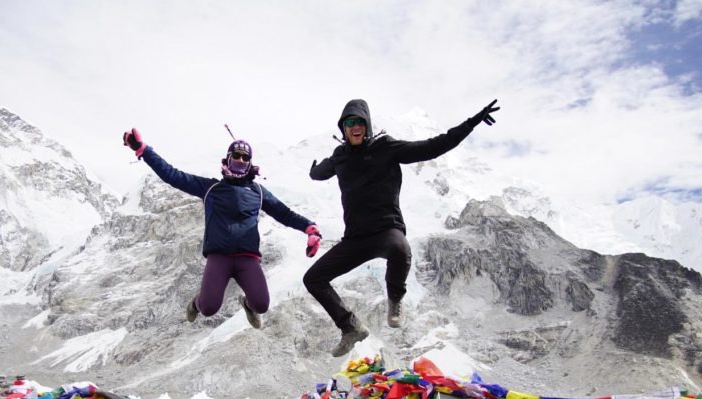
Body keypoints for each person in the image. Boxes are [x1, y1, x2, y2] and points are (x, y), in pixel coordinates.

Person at [305, 98, 500, 356]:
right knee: (313, 278)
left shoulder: (387, 147)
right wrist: (313, 170)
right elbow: (320, 173)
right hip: (355, 239)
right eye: (350, 123)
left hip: (386, 230)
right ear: (343, 128)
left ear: (367, 125)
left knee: (400, 249)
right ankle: (350, 327)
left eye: (360, 122)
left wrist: (471, 123)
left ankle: (395, 299)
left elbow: (433, 146)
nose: (355, 127)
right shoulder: (340, 156)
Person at [123, 129, 321, 329]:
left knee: (261, 304)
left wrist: (309, 228)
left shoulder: (259, 192)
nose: (241, 160)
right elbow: (172, 175)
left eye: (246, 157)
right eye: (236, 155)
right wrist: (143, 150)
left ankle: (247, 305)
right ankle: (196, 303)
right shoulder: (210, 188)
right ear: (228, 159)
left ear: (250, 162)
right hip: (220, 257)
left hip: (247, 258)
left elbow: (283, 213)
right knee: (209, 308)